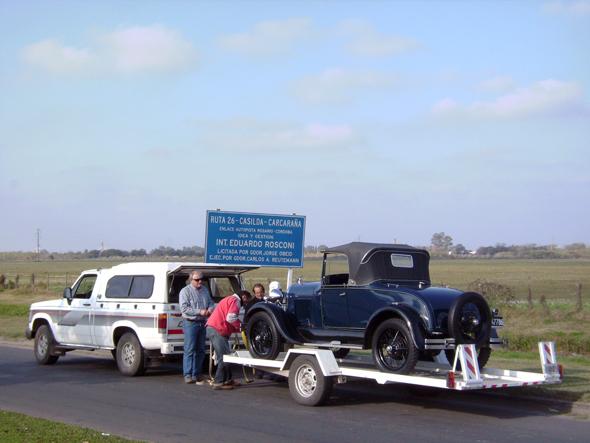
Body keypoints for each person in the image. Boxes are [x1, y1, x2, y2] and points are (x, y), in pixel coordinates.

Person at [206, 290, 252, 390]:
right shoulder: (235, 301)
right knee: (224, 356)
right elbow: (231, 318)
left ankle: (227, 379)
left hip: (216, 328)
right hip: (217, 329)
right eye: (247, 301)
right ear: (243, 297)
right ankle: (218, 382)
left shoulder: (230, 299)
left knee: (227, 354)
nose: (245, 304)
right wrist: (242, 326)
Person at [179, 271, 214, 385]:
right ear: (191, 280)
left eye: (201, 279)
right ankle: (188, 375)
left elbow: (210, 302)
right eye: (197, 280)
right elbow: (184, 309)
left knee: (200, 349)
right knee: (189, 349)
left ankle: (197, 373)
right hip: (190, 323)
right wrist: (200, 311)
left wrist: (209, 309)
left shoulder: (204, 290)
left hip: (202, 323)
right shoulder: (185, 292)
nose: (200, 281)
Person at [245, 284, 267, 379]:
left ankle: (271, 372)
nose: (259, 294)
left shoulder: (267, 302)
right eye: (257, 293)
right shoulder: (251, 304)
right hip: (256, 330)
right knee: (258, 350)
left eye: (261, 292)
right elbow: (247, 318)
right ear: (254, 293)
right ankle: (259, 372)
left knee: (268, 351)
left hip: (267, 330)